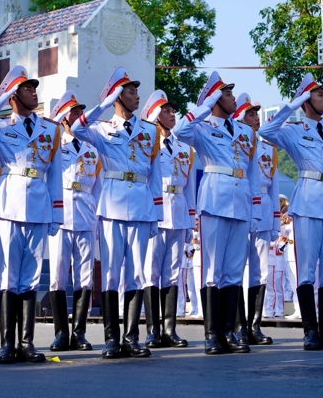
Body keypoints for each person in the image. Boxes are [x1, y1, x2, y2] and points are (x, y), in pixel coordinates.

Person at [0, 66, 63, 364]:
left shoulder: (51, 128)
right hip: (9, 201)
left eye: (34, 87)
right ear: (13, 95)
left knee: (31, 276)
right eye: (26, 88)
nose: (34, 91)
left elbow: (55, 174)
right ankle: (8, 343)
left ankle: (26, 342)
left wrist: (56, 212)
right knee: (9, 274)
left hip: (39, 202)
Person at [71, 67, 161, 360]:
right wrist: (104, 104)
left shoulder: (150, 130)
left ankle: (132, 336)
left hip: (141, 204)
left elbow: (156, 174)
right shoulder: (101, 128)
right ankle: (111, 338)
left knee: (135, 273)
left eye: (136, 91)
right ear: (117, 96)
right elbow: (77, 129)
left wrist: (156, 213)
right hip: (111, 204)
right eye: (130, 91)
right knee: (110, 274)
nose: (137, 96)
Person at [260, 74, 323, 351]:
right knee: (307, 269)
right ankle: (310, 331)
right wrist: (295, 102)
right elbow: (266, 131)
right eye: (319, 94)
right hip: (309, 200)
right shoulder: (294, 130)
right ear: (306, 101)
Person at [173, 71, 259, 355]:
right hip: (215, 199)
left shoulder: (246, 131)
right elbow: (180, 130)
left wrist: (256, 209)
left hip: (241, 198)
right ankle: (212, 334)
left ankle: (231, 331)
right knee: (213, 270)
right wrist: (206, 104)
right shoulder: (203, 126)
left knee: (234, 270)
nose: (234, 98)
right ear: (214, 98)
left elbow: (253, 171)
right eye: (228, 94)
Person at [46, 90, 100, 353]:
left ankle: (79, 332)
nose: (80, 116)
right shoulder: (56, 145)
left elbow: (98, 188)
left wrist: (97, 219)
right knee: (57, 277)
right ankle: (60, 333)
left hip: (86, 214)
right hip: (61, 214)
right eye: (75, 112)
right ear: (64, 118)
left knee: (85, 277)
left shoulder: (92, 150)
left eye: (81, 112)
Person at [143, 89, 195, 348]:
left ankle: (169, 329)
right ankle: (152, 330)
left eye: (173, 111)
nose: (172, 114)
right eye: (166, 110)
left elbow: (190, 188)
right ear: (154, 114)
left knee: (173, 274)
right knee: (152, 273)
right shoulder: (148, 144)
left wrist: (191, 220)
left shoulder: (184, 148)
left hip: (179, 213)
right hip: (157, 211)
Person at [233, 93, 279, 346]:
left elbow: (272, 186)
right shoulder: (238, 143)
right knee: (236, 269)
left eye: (256, 114)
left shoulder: (268, 149)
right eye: (250, 114)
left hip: (263, 208)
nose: (255, 118)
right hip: (241, 205)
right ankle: (239, 326)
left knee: (260, 270)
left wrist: (275, 221)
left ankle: (254, 326)